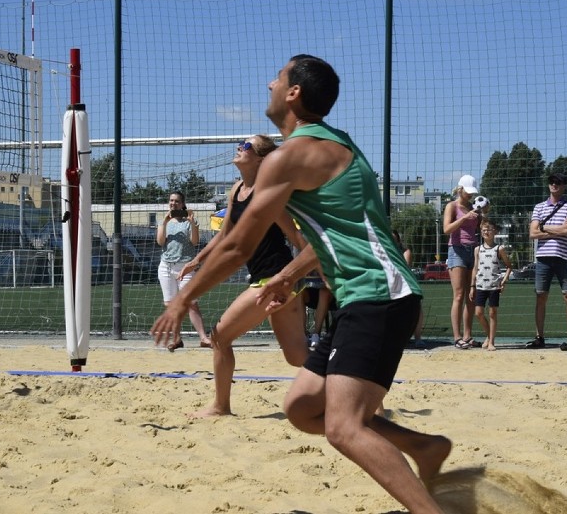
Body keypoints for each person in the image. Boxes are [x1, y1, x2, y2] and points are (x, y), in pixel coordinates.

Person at [152, 55, 451, 513]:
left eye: (277, 77)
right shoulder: (331, 144)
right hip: (363, 295)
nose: (268, 82)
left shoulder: (293, 156)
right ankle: (424, 448)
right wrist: (290, 275)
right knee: (301, 408)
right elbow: (335, 234)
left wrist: (182, 300)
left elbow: (236, 247)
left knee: (342, 428)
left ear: (293, 93)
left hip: (378, 296)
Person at [176, 134, 309, 417]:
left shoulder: (268, 191)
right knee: (298, 356)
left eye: (246, 146)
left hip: (274, 279)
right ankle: (360, 388)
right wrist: (197, 260)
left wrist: (312, 269)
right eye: (240, 143)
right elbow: (226, 236)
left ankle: (220, 407)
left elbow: (295, 236)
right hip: (271, 279)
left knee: (220, 337)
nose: (239, 148)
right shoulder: (237, 190)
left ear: (261, 159)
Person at [526, 173, 567, 351]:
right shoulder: (538, 207)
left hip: (564, 256)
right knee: (541, 296)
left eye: (558, 182)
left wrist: (543, 228)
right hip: (543, 258)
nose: (554, 185)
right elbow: (532, 233)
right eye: (551, 182)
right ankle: (539, 336)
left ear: (564, 186)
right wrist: (557, 231)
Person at [156, 191, 210, 351]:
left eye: (177, 201)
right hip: (166, 266)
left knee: (191, 303)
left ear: (183, 204)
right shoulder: (164, 221)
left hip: (185, 267)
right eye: (171, 201)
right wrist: (164, 223)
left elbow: (195, 242)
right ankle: (177, 339)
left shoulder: (188, 222)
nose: (173, 204)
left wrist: (193, 223)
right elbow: (160, 242)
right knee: (171, 305)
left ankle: (203, 338)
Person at [442, 174, 483, 349]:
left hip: (473, 250)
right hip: (456, 250)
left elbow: (481, 228)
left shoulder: (474, 208)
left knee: (471, 296)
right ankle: (457, 336)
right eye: (467, 192)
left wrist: (482, 215)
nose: (470, 196)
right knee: (458, 294)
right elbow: (446, 229)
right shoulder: (452, 206)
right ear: (460, 190)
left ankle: (467, 335)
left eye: (472, 193)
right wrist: (464, 218)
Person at [469, 219, 512, 351]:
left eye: (489, 229)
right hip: (481, 285)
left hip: (494, 286)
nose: (487, 232)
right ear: (481, 233)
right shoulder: (478, 249)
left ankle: (491, 341)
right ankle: (488, 335)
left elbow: (509, 266)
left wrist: (504, 281)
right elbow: (475, 268)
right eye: (484, 230)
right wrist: (472, 286)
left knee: (492, 313)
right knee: (478, 313)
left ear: (495, 232)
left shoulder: (499, 249)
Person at [393, 229, 425, 349]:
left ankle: (418, 338)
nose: (392, 242)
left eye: (395, 240)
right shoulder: (382, 250)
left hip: (405, 283)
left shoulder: (405, 251)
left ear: (399, 241)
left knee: (417, 304)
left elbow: (403, 267)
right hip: (388, 285)